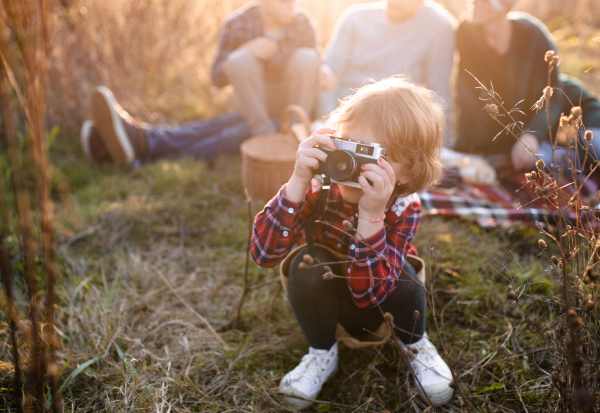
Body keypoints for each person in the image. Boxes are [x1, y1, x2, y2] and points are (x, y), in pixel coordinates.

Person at [251, 77, 454, 409]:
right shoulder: (318, 187)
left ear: (407, 171)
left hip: (383, 301)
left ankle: (415, 343)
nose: (349, 166)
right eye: (347, 146)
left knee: (402, 275)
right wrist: (298, 181)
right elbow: (263, 254)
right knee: (307, 263)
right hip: (327, 299)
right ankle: (321, 353)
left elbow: (368, 294)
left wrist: (371, 215)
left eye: (370, 155)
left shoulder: (404, 207)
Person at [81, 0, 321, 167]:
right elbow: (217, 79)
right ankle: (139, 140)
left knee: (228, 133)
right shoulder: (238, 23)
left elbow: (318, 72)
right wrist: (246, 51)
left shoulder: (303, 23)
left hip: (292, 119)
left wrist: (323, 72)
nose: (292, 7)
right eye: (285, 1)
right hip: (255, 111)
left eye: (295, 1)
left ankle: (141, 148)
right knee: (222, 125)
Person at [454, 0, 600, 174]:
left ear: (505, 6)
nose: (474, 3)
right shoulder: (467, 33)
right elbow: (468, 95)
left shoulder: (532, 35)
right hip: (544, 138)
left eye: (484, 1)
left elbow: (553, 94)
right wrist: (466, 147)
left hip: (574, 115)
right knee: (530, 161)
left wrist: (532, 135)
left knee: (586, 148)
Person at [317, 0, 456, 145]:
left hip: (391, 123)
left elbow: (438, 93)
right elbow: (329, 72)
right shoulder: (355, 17)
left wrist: (443, 145)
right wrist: (328, 119)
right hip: (343, 115)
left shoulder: (439, 26)